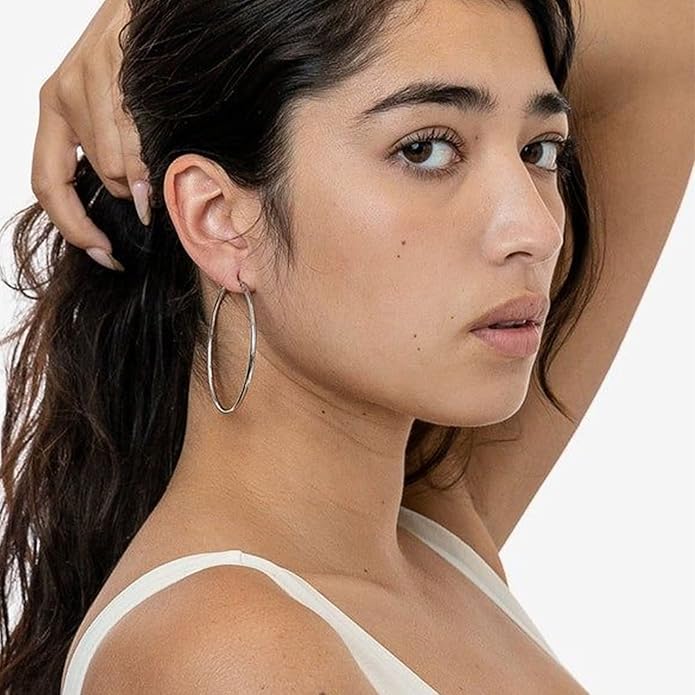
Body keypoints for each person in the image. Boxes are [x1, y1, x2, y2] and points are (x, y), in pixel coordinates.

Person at [1, 0, 692, 693]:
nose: (536, 231)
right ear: (219, 219)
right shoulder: (232, 652)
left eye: (539, 150)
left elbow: (672, 33)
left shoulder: (425, 539)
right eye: (425, 149)